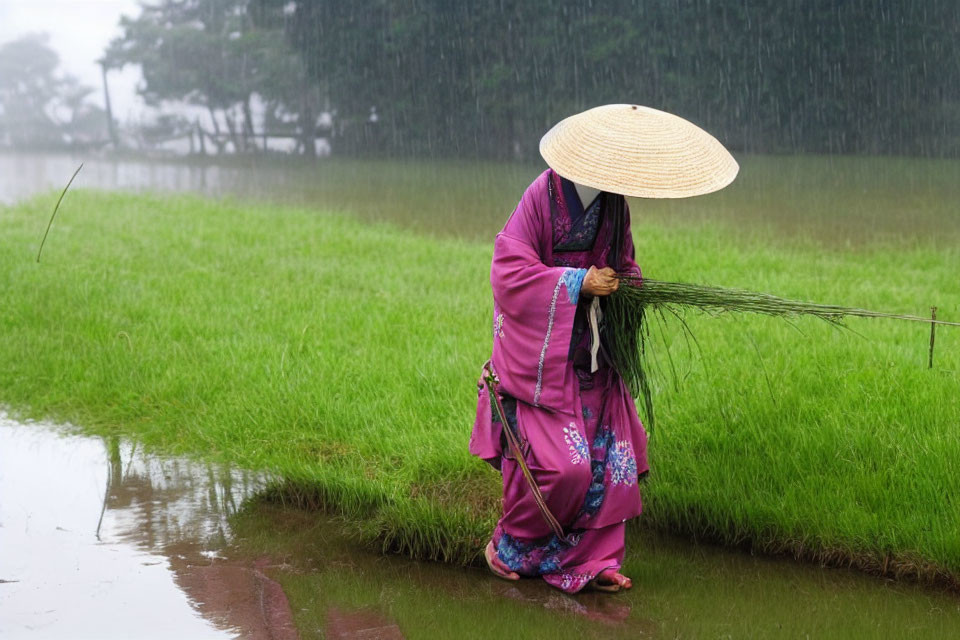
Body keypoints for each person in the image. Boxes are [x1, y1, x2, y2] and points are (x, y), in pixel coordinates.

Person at [469, 104, 739, 593]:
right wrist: (578, 282)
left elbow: (626, 263)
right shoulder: (540, 197)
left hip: (593, 356)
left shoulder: (614, 204)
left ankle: (593, 563)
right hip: (544, 364)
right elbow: (508, 271)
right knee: (566, 469)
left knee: (612, 465)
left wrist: (629, 286)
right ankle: (507, 546)